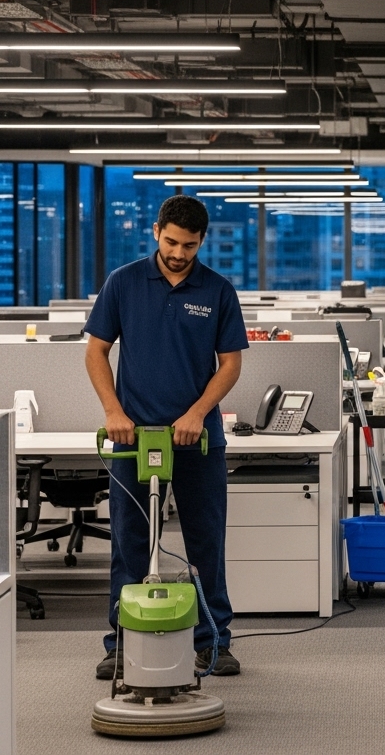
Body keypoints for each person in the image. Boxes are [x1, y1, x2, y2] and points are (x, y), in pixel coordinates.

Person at [84, 195, 248, 680]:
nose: (179, 253)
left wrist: (198, 412)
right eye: (172, 242)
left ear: (202, 241)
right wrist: (113, 411)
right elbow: (95, 353)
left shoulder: (217, 290)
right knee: (129, 542)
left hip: (198, 441)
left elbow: (231, 363)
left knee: (205, 543)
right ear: (156, 231)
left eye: (190, 245)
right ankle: (121, 642)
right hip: (133, 439)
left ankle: (213, 639)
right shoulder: (124, 282)